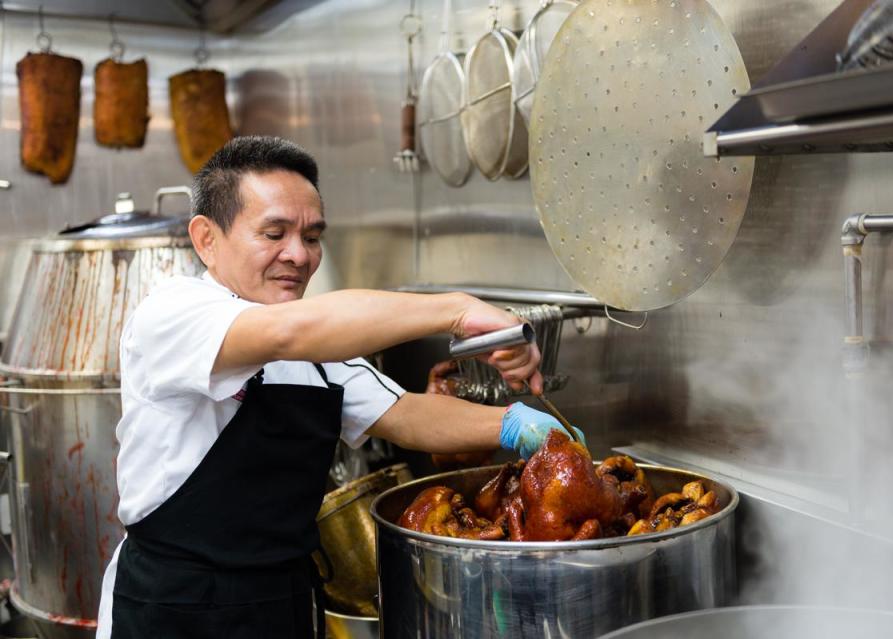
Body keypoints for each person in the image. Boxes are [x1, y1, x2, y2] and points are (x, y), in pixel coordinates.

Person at [95, 136, 582, 639]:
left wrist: (517, 427)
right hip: (175, 606)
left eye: (311, 236)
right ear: (206, 239)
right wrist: (456, 309)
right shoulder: (174, 312)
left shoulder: (318, 345)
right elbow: (288, 333)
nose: (299, 255)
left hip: (281, 600)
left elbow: (405, 415)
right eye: (274, 233)